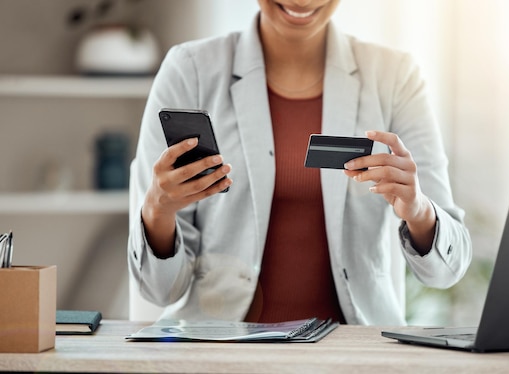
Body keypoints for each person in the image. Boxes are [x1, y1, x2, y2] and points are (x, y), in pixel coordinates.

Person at [128, 0, 472, 325]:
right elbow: (159, 290)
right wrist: (159, 211)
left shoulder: (394, 76)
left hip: (352, 353)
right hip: (221, 350)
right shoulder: (190, 69)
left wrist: (418, 211)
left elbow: (447, 270)